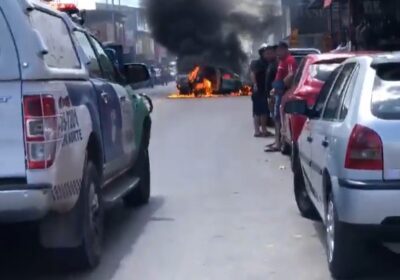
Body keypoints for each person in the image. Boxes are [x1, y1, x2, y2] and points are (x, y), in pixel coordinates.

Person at [265, 41, 297, 152]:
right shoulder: (282, 61)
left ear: (284, 49)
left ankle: (279, 143)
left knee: (279, 119)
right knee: (276, 118)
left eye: (278, 50)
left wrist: (281, 86)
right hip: (278, 93)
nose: (277, 52)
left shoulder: (290, 60)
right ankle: (277, 141)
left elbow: (291, 75)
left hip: (283, 93)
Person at [249, 44, 278, 137]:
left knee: (263, 111)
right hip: (259, 90)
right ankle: (258, 131)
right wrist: (255, 84)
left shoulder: (268, 63)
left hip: (264, 90)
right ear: (262, 53)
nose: (269, 55)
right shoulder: (257, 63)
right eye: (267, 53)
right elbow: (253, 74)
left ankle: (263, 130)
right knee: (259, 111)